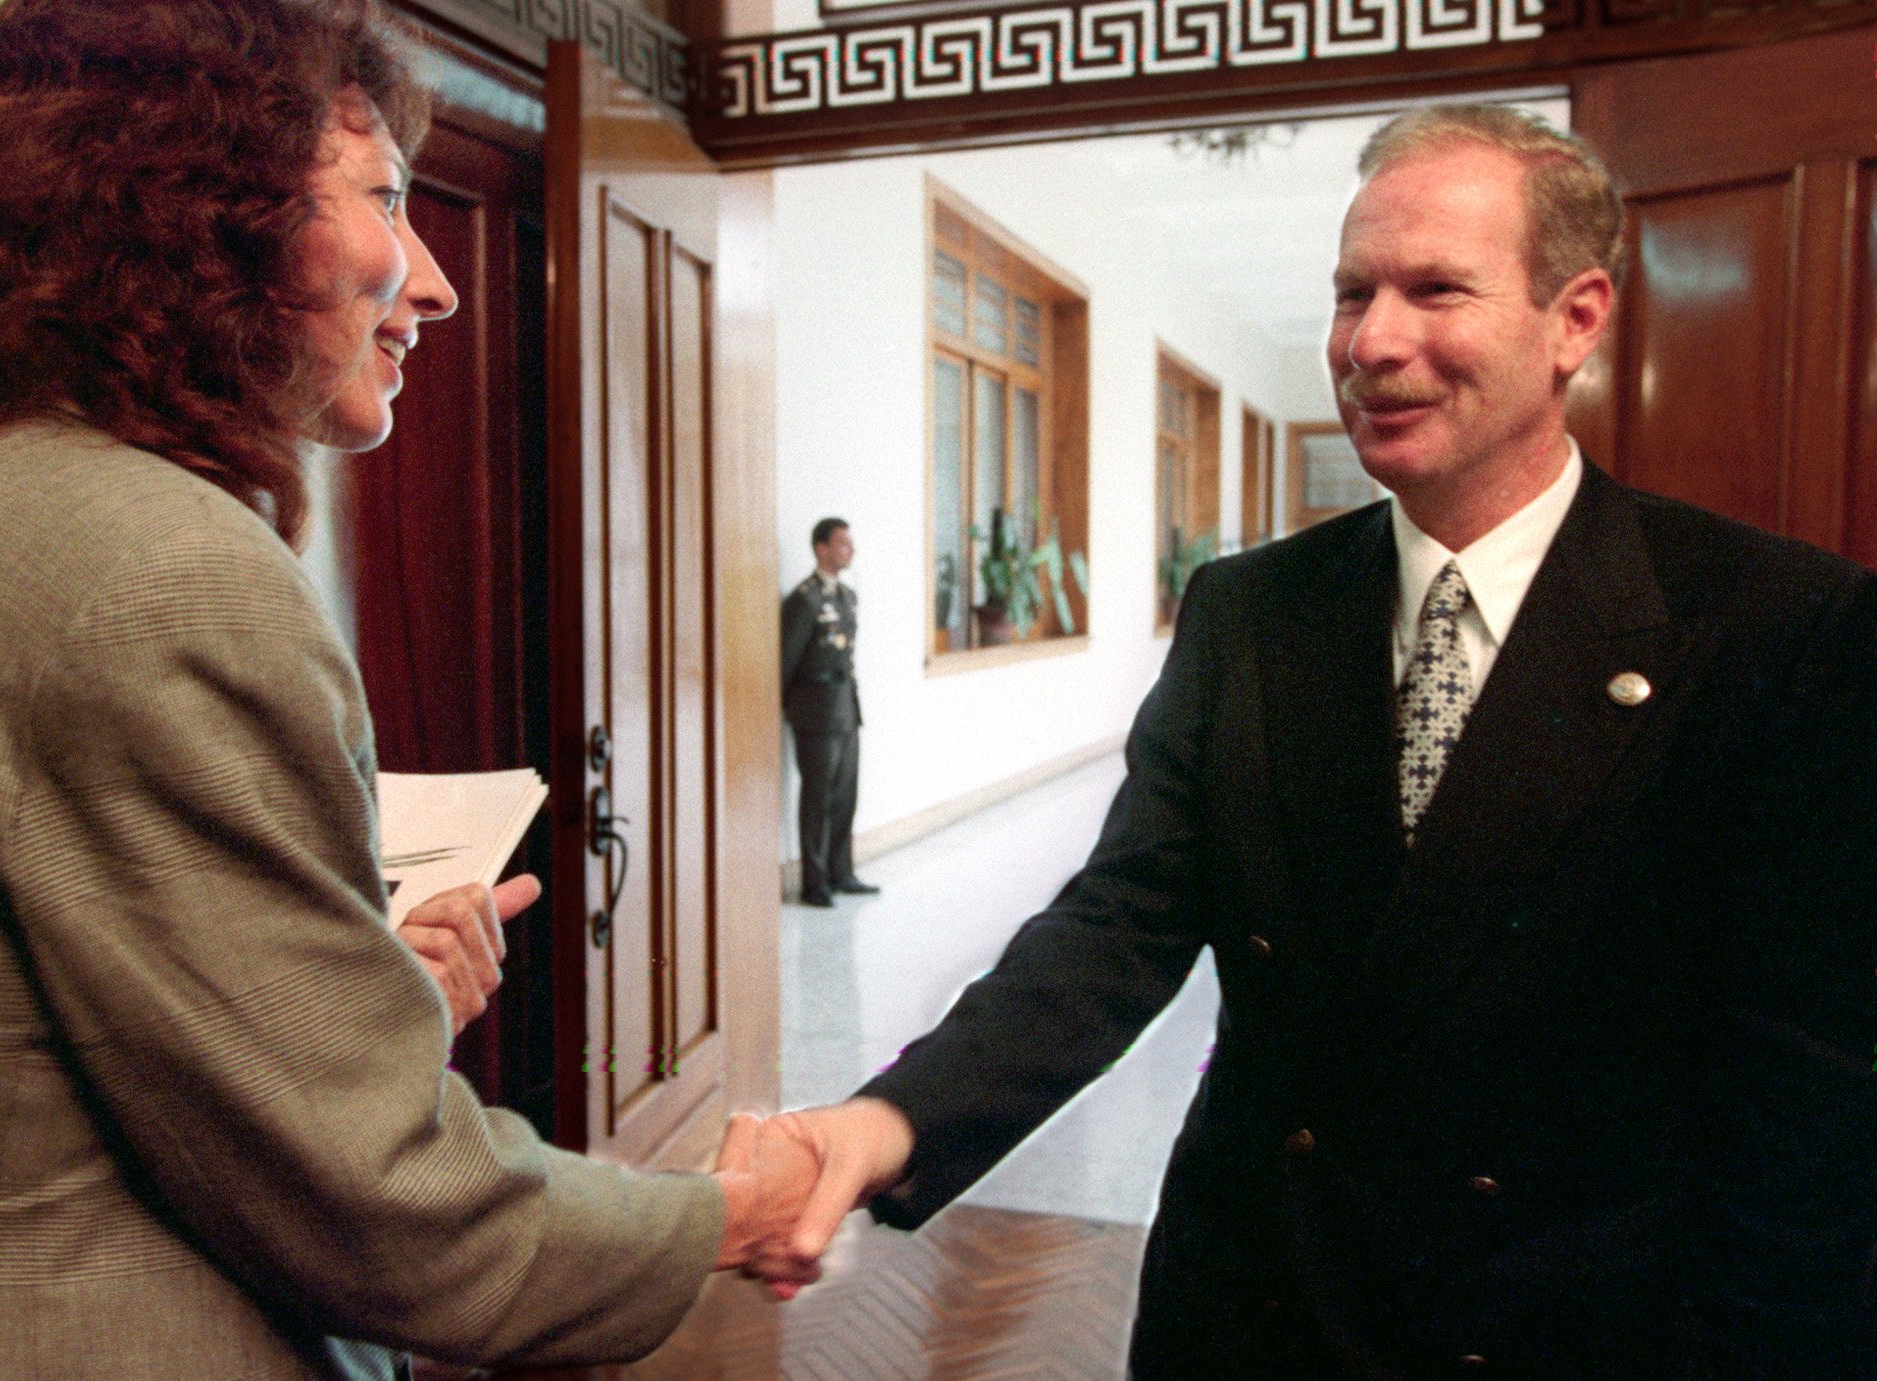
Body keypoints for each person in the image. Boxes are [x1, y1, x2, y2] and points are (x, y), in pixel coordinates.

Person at [743, 105, 1877, 1376]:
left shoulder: (1772, 626)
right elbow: (1119, 922)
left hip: (1563, 1324)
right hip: (1256, 1306)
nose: (1370, 341)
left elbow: (1808, 1098)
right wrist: (889, 1120)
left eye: (1433, 289)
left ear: (1573, 318)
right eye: (1350, 292)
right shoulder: (1249, 610)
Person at [0, 2, 805, 1376]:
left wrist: (364, 992)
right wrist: (723, 1214)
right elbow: (387, 1209)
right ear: (199, 209)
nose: (434, 283)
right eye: (383, 198)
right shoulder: (166, 571)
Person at [781, 517, 880, 907]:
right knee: (817, 798)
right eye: (842, 544)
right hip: (816, 712)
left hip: (845, 707)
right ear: (821, 549)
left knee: (845, 795)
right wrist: (792, 709)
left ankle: (841, 872)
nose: (849, 550)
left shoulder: (846, 596)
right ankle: (815, 881)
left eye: (849, 543)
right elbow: (786, 661)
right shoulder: (804, 600)